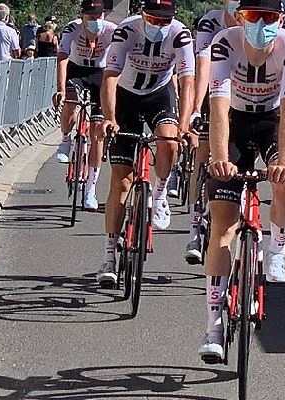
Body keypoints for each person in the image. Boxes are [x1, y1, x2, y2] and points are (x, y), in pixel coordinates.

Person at [198, 0, 285, 362]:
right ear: (240, 18)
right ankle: (213, 324)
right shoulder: (225, 43)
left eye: (268, 17)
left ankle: (277, 249)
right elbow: (218, 105)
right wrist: (219, 159)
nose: (260, 23)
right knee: (223, 227)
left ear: (281, 20)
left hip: (273, 120)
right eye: (252, 16)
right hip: (236, 122)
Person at [94, 0, 197, 286]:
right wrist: (109, 118)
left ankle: (161, 194)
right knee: (121, 183)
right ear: (142, 15)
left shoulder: (180, 34)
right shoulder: (126, 31)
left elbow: (188, 81)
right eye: (153, 20)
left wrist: (185, 125)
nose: (159, 26)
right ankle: (109, 255)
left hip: (158, 95)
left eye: (165, 21)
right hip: (125, 97)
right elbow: (110, 76)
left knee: (169, 141)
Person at [183, 0, 242, 264]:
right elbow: (203, 62)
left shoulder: (256, 23)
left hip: (243, 98)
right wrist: (197, 107)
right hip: (213, 92)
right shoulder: (211, 22)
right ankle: (195, 225)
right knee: (204, 154)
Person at [50, 0, 116, 209]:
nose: (95, 21)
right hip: (77, 70)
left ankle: (91, 189)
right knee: (70, 101)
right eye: (91, 17)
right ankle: (65, 139)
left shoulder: (112, 31)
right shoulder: (72, 27)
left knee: (98, 132)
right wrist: (60, 88)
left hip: (100, 73)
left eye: (98, 16)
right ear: (82, 16)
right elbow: (62, 57)